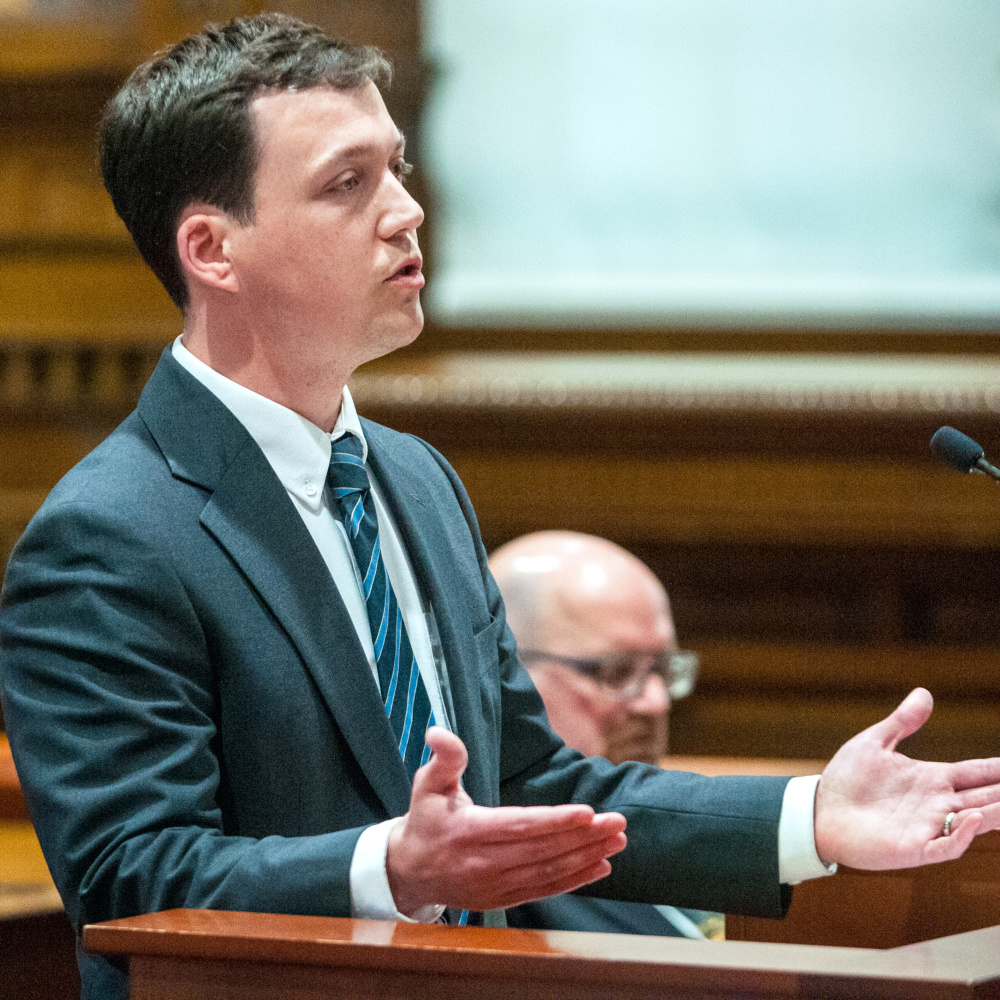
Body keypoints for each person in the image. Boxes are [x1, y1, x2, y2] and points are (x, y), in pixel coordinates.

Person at [0, 15, 997, 999]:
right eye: (348, 184)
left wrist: (808, 816)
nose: (405, 210)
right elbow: (129, 878)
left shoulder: (416, 480)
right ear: (213, 249)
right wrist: (390, 867)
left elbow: (531, 787)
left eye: (396, 168)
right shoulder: (111, 537)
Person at [491, 531, 715, 938]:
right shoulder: (493, 886)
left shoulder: (687, 831)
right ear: (506, 674)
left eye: (662, 670)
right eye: (615, 672)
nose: (656, 702)